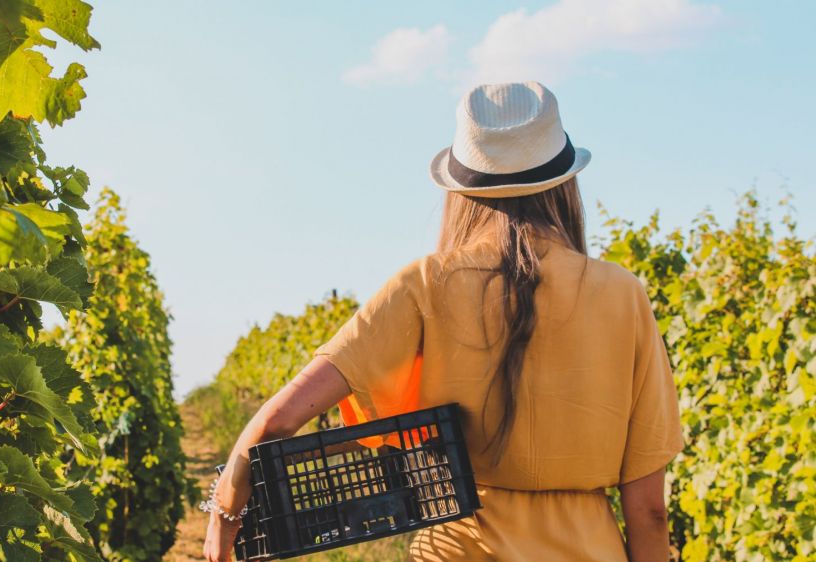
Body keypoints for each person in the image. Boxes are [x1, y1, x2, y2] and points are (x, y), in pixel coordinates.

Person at [202, 81, 684, 562]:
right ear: (564, 185)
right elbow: (648, 512)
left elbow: (277, 420)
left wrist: (224, 518)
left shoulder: (425, 283)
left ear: (461, 189)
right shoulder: (625, 295)